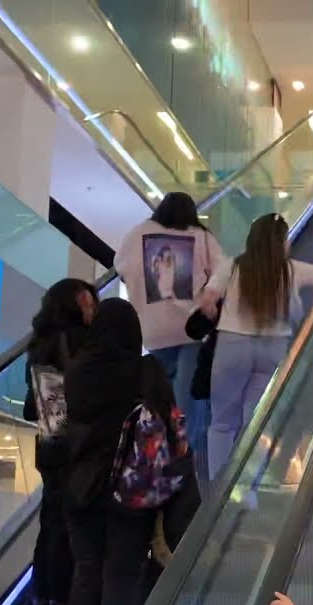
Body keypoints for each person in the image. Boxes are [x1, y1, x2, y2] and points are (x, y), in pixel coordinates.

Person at [58, 298, 177, 605]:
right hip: (131, 493)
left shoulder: (76, 371)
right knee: (120, 585)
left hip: (80, 493)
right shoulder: (146, 370)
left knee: (85, 579)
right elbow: (171, 428)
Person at [206, 214, 313, 486]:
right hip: (273, 349)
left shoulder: (231, 266)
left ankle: (216, 490)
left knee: (222, 422)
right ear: (282, 242)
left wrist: (212, 312)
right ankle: (249, 489)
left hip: (233, 346)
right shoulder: (291, 269)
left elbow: (207, 302)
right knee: (255, 424)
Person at [114, 191, 227, 479]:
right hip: (191, 334)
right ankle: (192, 475)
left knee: (158, 405)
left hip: (152, 334)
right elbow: (225, 269)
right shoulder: (201, 236)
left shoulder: (137, 234)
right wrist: (211, 295)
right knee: (190, 407)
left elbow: (120, 267)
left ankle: (159, 469)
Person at [22, 278, 98, 605]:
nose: (92, 310)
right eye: (87, 302)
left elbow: (33, 404)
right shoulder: (76, 342)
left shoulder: (39, 345)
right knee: (70, 531)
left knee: (49, 524)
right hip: (73, 447)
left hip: (47, 445)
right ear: (73, 304)